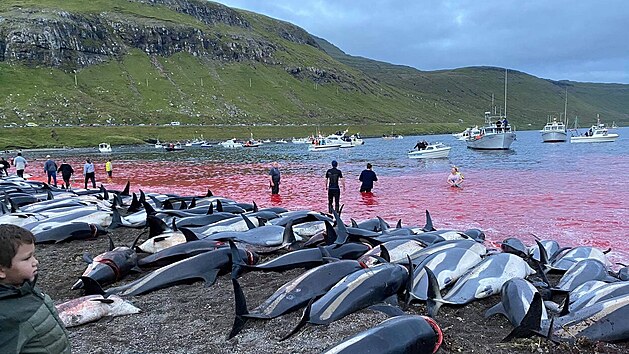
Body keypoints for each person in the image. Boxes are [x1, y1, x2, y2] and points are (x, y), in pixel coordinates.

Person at [0, 224, 71, 353]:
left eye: (33, 255)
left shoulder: (24, 288)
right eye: (27, 258)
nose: (35, 262)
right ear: (1, 270)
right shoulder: (5, 317)